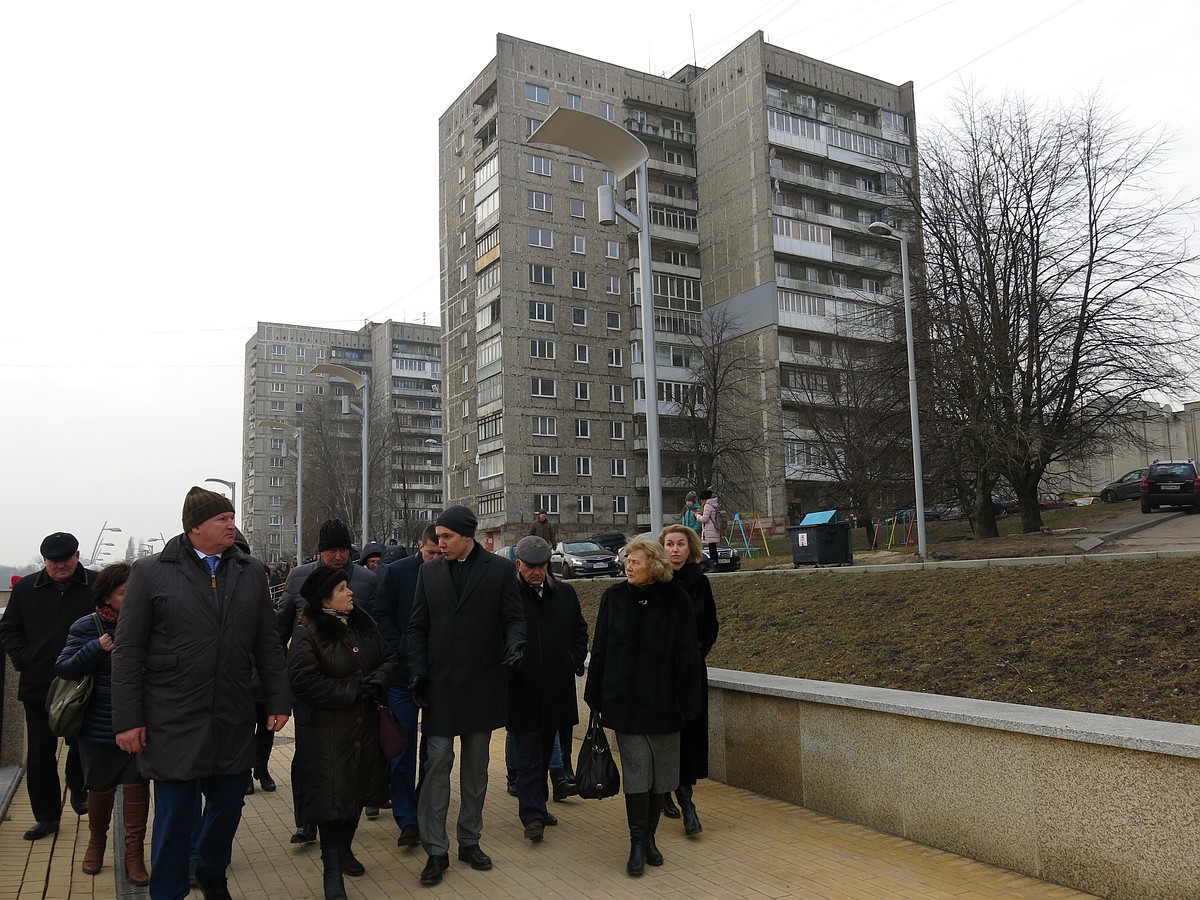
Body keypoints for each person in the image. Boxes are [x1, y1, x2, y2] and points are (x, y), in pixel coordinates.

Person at [111, 485, 291, 900]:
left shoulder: (250, 571)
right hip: (172, 715)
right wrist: (128, 719)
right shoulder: (152, 571)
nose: (232, 525)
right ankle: (169, 893)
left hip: (230, 712)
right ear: (195, 527)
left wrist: (279, 699)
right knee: (173, 819)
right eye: (222, 519)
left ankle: (210, 868)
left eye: (231, 518)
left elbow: (266, 642)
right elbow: (128, 651)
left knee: (229, 805)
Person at [405, 505, 526, 887]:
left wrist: (516, 643)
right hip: (440, 685)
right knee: (437, 763)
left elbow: (514, 618)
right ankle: (435, 850)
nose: (439, 543)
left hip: (483, 682)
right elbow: (417, 626)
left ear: (467, 536)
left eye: (446, 537)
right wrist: (417, 671)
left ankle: (469, 840)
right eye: (438, 537)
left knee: (475, 769)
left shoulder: (501, 570)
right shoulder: (429, 571)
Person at [584, 534, 702, 877]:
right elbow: (601, 648)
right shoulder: (613, 597)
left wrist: (688, 703)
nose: (627, 567)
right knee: (637, 773)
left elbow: (688, 656)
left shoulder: (676, 599)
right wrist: (595, 697)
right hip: (626, 704)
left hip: (666, 704)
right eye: (627, 561)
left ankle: (650, 837)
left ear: (654, 565)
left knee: (660, 777)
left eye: (634, 562)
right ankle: (637, 841)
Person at [288, 564, 396, 900]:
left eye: (348, 586)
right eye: (342, 589)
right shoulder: (308, 632)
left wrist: (378, 680)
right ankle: (331, 872)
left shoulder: (362, 621)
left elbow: (389, 657)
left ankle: (345, 851)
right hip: (328, 733)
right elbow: (303, 682)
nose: (350, 593)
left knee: (356, 794)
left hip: (364, 728)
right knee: (333, 801)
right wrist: (352, 691)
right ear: (325, 600)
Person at [276, 516, 374, 841]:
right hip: (311, 687)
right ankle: (306, 820)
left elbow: (375, 633)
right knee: (306, 759)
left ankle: (344, 835)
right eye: (330, 550)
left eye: (342, 549)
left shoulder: (367, 581)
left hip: (352, 687)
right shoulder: (298, 578)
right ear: (320, 552)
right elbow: (282, 629)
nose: (337, 556)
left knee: (350, 761)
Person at [53, 561, 150, 883]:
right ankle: (96, 843)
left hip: (139, 723)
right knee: (100, 788)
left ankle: (134, 855)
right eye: (124, 594)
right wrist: (97, 648)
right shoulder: (88, 626)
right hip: (97, 726)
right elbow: (65, 668)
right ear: (107, 598)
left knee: (137, 787)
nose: (132, 598)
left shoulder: (150, 623)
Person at [0, 531, 96, 839]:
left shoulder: (96, 586)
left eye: (65, 559)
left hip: (85, 681)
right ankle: (46, 816)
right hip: (39, 683)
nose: (60, 566)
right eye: (53, 562)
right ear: (44, 561)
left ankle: (79, 789)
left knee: (84, 744)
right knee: (40, 754)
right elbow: (9, 629)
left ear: (77, 556)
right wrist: (25, 658)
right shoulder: (27, 589)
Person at [506, 536, 588, 844]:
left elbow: (580, 632)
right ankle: (532, 815)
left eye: (542, 566)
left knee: (546, 752)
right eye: (530, 567)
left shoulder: (564, 594)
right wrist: (511, 666)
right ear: (519, 566)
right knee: (528, 755)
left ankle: (538, 806)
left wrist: (571, 660)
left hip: (556, 687)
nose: (537, 573)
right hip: (522, 690)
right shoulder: (509, 597)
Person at [371, 523, 440, 848]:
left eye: (440, 554)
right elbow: (380, 613)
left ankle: (422, 806)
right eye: (430, 554)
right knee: (401, 750)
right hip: (401, 677)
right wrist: (402, 649)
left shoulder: (450, 573)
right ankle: (407, 819)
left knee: (434, 753)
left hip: (438, 676)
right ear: (420, 547)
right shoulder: (397, 573)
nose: (435, 560)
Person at [659, 525, 720, 834]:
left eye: (681, 543)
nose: (675, 549)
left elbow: (710, 624)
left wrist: (696, 652)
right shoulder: (656, 583)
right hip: (659, 675)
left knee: (688, 736)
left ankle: (687, 800)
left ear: (690, 547)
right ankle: (664, 793)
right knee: (665, 735)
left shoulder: (700, 582)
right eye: (669, 544)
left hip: (691, 672)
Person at [699, 489, 721, 563]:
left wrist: (697, 516)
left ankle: (713, 565)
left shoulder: (707, 506)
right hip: (714, 528)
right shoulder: (714, 505)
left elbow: (705, 519)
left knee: (712, 548)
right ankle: (715, 564)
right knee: (713, 548)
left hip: (709, 529)